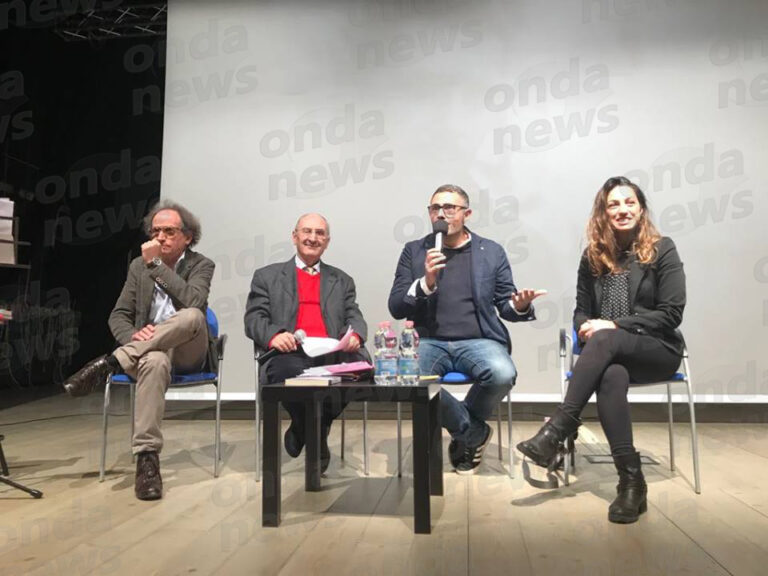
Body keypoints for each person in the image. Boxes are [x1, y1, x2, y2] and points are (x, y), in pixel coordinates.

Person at [517, 176, 686, 524]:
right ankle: (631, 482)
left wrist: (613, 326)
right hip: (609, 356)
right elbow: (581, 308)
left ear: (640, 209)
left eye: (629, 203)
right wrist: (583, 325)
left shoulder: (662, 248)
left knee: (605, 339)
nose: (622, 209)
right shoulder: (593, 256)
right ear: (603, 212)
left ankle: (559, 427)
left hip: (656, 350)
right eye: (614, 204)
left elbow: (671, 313)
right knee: (610, 375)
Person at [63, 200, 215, 501]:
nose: (160, 237)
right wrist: (134, 334)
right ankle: (147, 461)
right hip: (146, 353)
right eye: (155, 231)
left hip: (187, 351)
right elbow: (118, 314)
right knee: (155, 361)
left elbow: (193, 302)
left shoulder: (201, 264)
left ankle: (111, 362)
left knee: (193, 316)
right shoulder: (137, 267)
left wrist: (156, 266)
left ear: (187, 236)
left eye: (169, 231)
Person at [388, 184, 545, 474]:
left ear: (467, 213)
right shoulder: (415, 251)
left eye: (450, 208)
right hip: (430, 340)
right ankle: (471, 433)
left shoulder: (491, 252)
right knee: (407, 379)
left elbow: (505, 305)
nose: (441, 214)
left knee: (503, 373)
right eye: (435, 208)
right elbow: (397, 306)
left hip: (479, 340)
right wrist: (426, 282)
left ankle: (465, 431)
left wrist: (520, 306)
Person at [244, 213, 369, 473]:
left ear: (327, 241)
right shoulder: (267, 276)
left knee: (363, 370)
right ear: (295, 236)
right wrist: (274, 336)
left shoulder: (342, 280)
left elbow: (353, 315)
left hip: (331, 352)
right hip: (290, 353)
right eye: (307, 231)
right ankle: (317, 437)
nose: (313, 238)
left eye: (320, 233)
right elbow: (254, 318)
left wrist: (356, 334)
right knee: (285, 374)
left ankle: (305, 429)